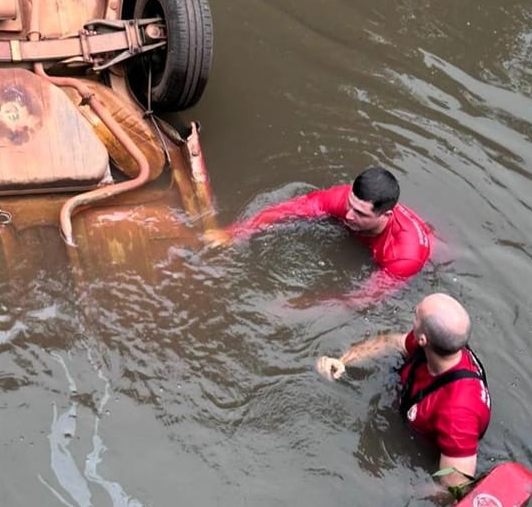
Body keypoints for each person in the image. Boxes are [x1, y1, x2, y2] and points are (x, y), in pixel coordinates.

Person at [316, 293, 491, 487]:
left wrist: (402, 492)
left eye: (416, 316)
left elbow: (454, 485)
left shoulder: (458, 412)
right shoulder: (432, 345)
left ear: (424, 339)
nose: (412, 317)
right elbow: (392, 342)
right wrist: (343, 361)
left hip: (423, 447)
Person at [205, 167, 432, 305]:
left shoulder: (405, 256)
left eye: (360, 213)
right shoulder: (343, 200)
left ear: (386, 215)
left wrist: (300, 306)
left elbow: (360, 299)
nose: (349, 215)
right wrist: (235, 233)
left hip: (427, 258)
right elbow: (292, 208)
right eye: (350, 205)